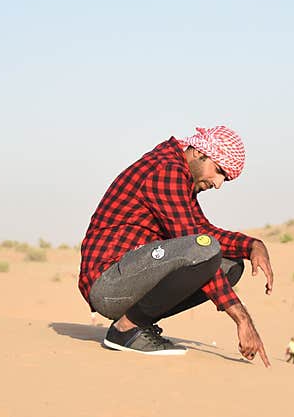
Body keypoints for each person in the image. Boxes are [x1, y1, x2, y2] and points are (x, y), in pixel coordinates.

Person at [78, 125, 274, 366]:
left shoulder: (181, 174)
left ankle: (133, 322)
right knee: (205, 250)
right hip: (108, 284)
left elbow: (202, 232)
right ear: (200, 152)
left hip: (130, 278)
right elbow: (198, 247)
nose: (218, 183)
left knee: (230, 265)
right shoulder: (166, 170)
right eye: (219, 171)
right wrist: (241, 318)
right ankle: (126, 330)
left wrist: (251, 245)